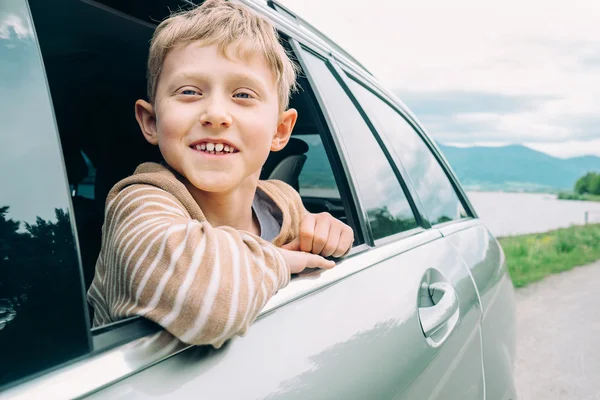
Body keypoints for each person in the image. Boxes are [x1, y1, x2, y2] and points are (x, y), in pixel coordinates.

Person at [87, 0, 354, 348]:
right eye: (189, 92)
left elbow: (318, 233)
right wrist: (279, 261)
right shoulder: (139, 202)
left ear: (280, 130)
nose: (215, 114)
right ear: (151, 122)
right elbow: (206, 306)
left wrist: (331, 232)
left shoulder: (282, 201)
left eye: (243, 94)